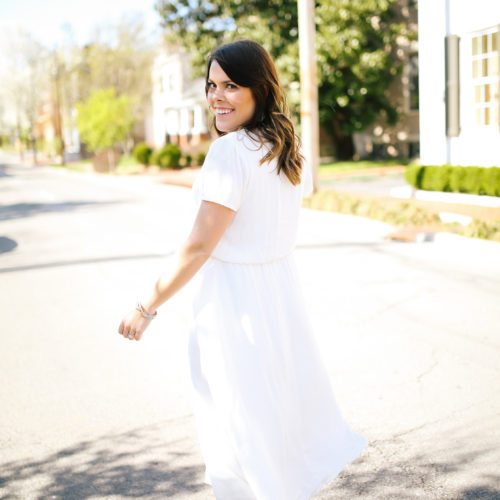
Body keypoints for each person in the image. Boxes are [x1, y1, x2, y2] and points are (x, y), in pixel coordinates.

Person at [118, 39, 366, 500]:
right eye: (212, 85)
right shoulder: (288, 149)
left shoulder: (232, 152)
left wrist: (145, 307)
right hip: (279, 301)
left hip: (234, 310)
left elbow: (197, 248)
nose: (217, 96)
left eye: (231, 85)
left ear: (260, 89)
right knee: (274, 430)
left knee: (239, 439)